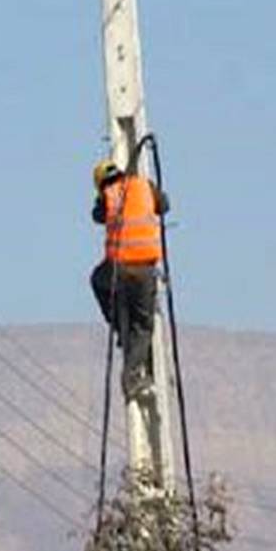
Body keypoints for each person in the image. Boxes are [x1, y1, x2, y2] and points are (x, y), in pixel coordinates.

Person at [89, 158, 168, 397]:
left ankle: (119, 329)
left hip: (119, 270)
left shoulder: (108, 194)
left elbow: (97, 215)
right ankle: (134, 377)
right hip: (144, 269)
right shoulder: (145, 186)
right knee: (143, 325)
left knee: (97, 281)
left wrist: (101, 197)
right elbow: (164, 205)